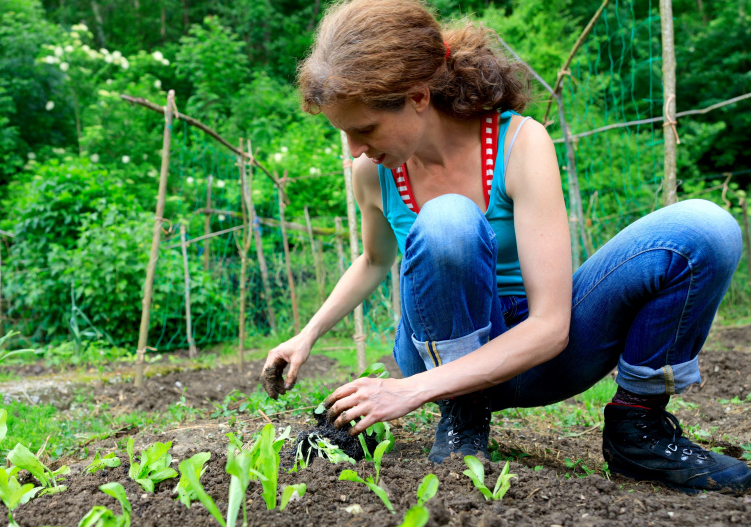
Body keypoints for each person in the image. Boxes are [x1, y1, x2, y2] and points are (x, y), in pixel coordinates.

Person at [260, 0, 750, 494]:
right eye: (343, 133)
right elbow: (374, 259)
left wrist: (408, 392)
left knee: (707, 228)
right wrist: (308, 334)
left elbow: (551, 326)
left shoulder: (520, 144)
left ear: (417, 96)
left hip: (541, 357)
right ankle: (462, 417)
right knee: (447, 221)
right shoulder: (375, 172)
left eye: (363, 129)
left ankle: (637, 430)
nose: (354, 150)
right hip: (437, 355)